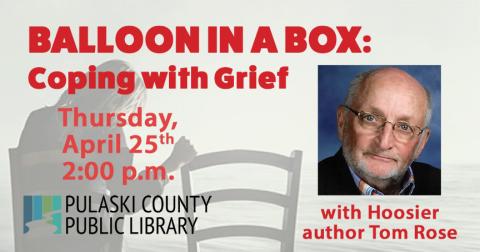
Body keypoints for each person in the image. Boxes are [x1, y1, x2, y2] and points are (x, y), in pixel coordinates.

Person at [17, 60, 196, 251]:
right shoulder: (107, 130)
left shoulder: (37, 119)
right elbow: (126, 200)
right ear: (117, 101)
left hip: (36, 241)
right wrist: (171, 164)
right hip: (83, 243)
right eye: (129, 109)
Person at [318, 67, 440, 195]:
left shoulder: (440, 186)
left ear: (421, 143)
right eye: (370, 118)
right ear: (342, 122)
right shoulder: (308, 188)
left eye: (404, 127)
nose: (384, 143)